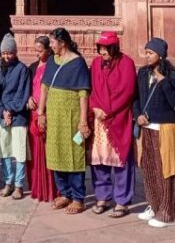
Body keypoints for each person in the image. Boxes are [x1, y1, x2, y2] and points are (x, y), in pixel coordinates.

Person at [38, 27, 91, 215]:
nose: (51, 46)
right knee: (55, 153)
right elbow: (44, 87)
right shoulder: (52, 61)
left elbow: (83, 93)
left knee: (74, 153)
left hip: (71, 115)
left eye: (53, 42)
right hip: (54, 115)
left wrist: (83, 121)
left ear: (63, 43)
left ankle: (78, 197)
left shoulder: (78, 62)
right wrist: (41, 112)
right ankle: (65, 193)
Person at [134, 37, 175, 228]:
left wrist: (163, 82)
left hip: (165, 128)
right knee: (149, 168)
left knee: (166, 171)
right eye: (146, 52)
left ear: (161, 55)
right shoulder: (142, 73)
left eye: (151, 53)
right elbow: (135, 98)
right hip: (147, 128)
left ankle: (168, 213)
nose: (147, 56)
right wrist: (138, 115)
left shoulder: (171, 75)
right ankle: (154, 205)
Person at [88, 31, 137, 218]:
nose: (102, 52)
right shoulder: (95, 64)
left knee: (121, 161)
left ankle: (122, 200)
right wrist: (94, 107)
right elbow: (92, 89)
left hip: (118, 119)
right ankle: (102, 197)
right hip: (99, 119)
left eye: (106, 48)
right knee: (99, 159)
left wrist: (107, 110)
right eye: (100, 48)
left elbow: (127, 91)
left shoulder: (126, 63)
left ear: (114, 48)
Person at [0, 33, 31, 199]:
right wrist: (2, 111)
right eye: (4, 53)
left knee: (19, 151)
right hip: (2, 115)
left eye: (9, 53)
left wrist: (10, 111)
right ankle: (8, 182)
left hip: (18, 116)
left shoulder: (22, 70)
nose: (6, 56)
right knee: (5, 151)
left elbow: (22, 94)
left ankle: (19, 185)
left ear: (15, 53)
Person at [26, 35, 58, 202]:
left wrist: (43, 111)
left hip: (48, 113)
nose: (37, 53)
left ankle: (52, 190)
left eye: (40, 50)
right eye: (36, 50)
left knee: (48, 151)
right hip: (33, 113)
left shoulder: (53, 66)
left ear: (48, 50)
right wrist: (28, 99)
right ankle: (38, 188)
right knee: (35, 151)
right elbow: (27, 88)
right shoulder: (32, 67)